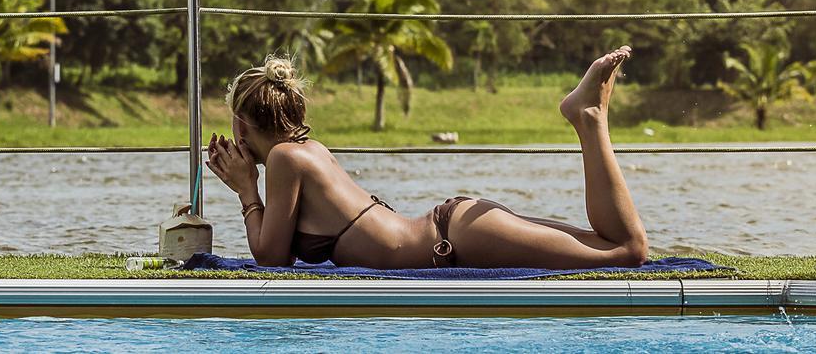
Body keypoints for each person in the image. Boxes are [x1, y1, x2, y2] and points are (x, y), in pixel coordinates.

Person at [205, 51, 648, 269]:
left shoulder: (285, 158)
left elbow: (271, 260)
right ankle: (588, 116)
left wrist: (247, 192)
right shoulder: (306, 152)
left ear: (241, 127)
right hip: (457, 228)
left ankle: (589, 118)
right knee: (609, 243)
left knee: (627, 252)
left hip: (457, 238)